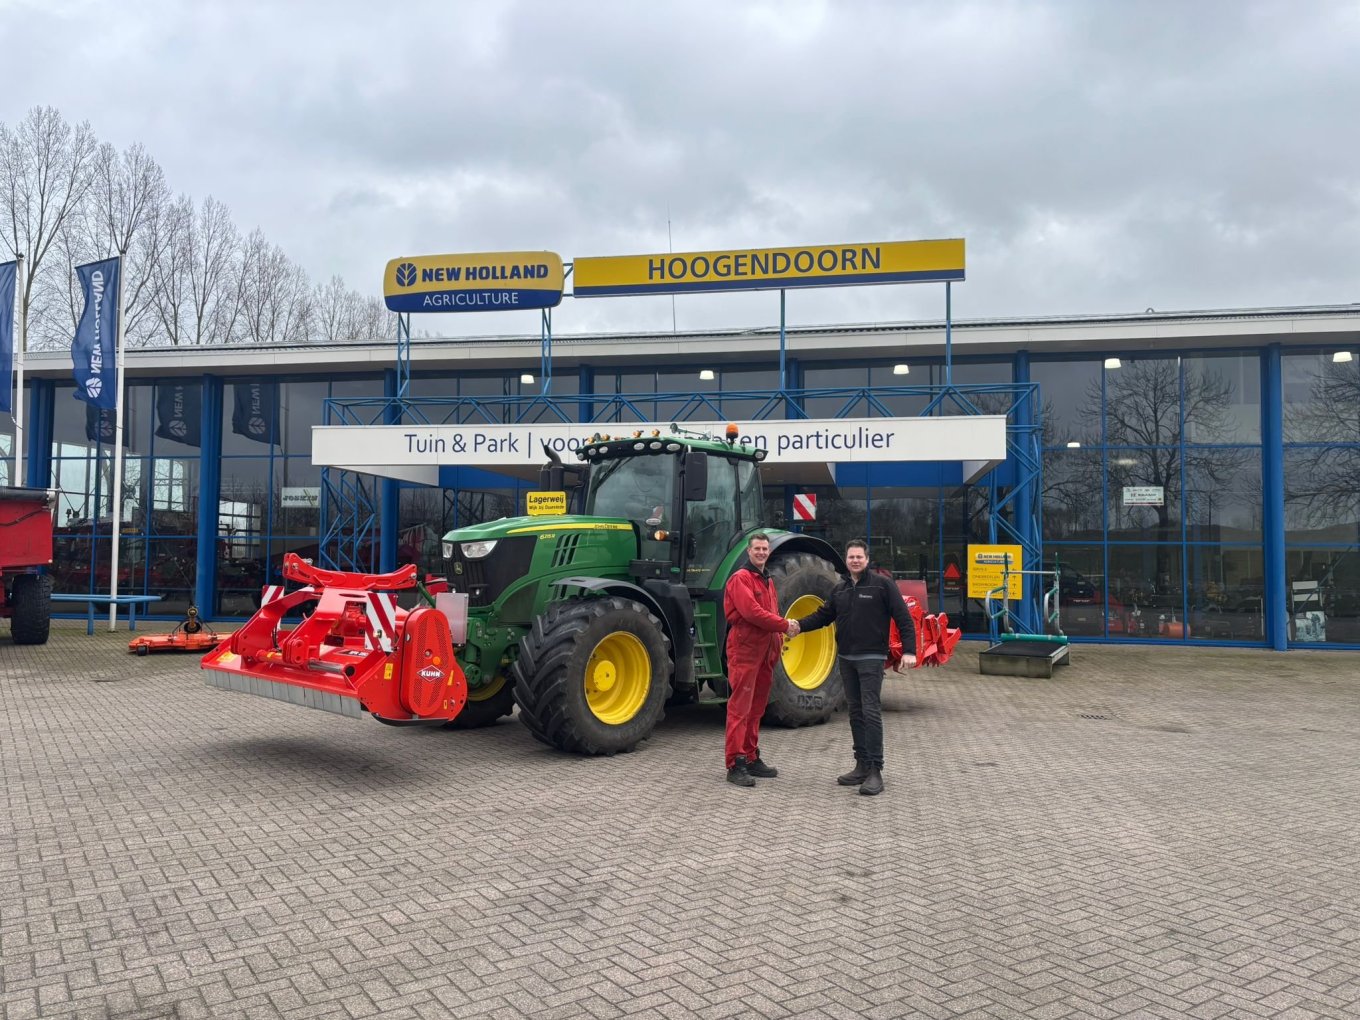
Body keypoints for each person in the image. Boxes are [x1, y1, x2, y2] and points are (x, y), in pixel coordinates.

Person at [795, 539, 915, 796]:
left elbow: (903, 617)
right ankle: (861, 764)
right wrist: (796, 626)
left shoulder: (882, 585)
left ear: (867, 559)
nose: (855, 561)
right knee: (856, 712)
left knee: (871, 711)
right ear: (847, 560)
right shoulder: (840, 589)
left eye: (859, 557)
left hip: (871, 658)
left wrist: (909, 650)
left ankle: (875, 770)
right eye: (851, 557)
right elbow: (823, 616)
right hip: (846, 658)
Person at [722, 532, 798, 787]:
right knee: (740, 708)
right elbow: (752, 613)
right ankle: (735, 763)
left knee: (756, 708)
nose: (762, 553)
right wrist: (784, 625)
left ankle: (751, 756)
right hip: (745, 649)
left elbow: (770, 612)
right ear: (748, 550)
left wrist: (779, 632)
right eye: (757, 549)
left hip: (765, 651)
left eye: (765, 549)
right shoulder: (740, 579)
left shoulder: (767, 580)